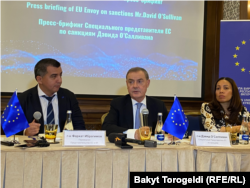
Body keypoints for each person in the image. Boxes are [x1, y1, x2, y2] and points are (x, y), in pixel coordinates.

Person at [18, 58, 85, 136]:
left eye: (60, 75)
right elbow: (10, 130)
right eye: (54, 76)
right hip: (36, 146)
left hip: (62, 145)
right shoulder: (23, 99)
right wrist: (26, 131)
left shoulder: (69, 97)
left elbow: (80, 127)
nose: (59, 80)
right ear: (39, 79)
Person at [102, 67, 168, 138]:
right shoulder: (118, 103)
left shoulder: (158, 105)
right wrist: (133, 133)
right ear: (127, 84)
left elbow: (171, 130)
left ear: (147, 83)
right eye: (131, 82)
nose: (135, 86)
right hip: (126, 147)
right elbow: (107, 127)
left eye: (140, 81)